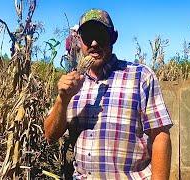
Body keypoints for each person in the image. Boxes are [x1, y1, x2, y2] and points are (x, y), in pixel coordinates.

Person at [44, 9, 173, 179]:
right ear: (80, 41)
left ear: (114, 37)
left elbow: (160, 136)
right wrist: (62, 99)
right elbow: (50, 136)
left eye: (101, 35)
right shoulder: (71, 84)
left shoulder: (141, 76)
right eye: (88, 36)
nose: (94, 43)